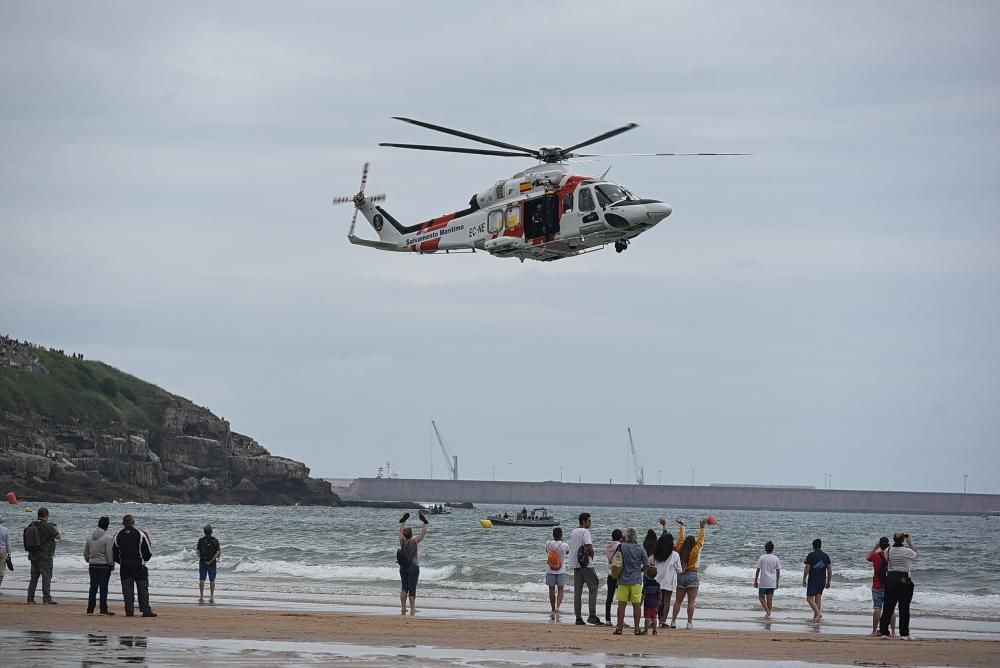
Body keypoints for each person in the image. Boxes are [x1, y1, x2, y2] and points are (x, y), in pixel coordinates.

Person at [113, 514, 156, 617]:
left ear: (123, 524)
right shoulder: (141, 534)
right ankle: (145, 610)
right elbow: (148, 552)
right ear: (133, 522)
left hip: (125, 566)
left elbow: (114, 553)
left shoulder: (117, 535)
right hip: (138, 565)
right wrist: (143, 561)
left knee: (127, 590)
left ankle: (129, 610)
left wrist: (121, 561)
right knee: (142, 588)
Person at [879, 532, 918, 639]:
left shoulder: (888, 550)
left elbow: (886, 558)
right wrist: (910, 542)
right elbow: (916, 554)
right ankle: (904, 633)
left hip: (891, 578)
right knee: (904, 607)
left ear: (893, 539)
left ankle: (884, 632)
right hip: (903, 578)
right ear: (902, 540)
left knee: (888, 607)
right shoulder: (907, 551)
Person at [671, 518, 708, 629]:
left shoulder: (679, 549)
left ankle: (673, 622)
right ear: (693, 543)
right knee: (691, 601)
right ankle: (689, 623)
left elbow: (681, 539)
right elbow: (701, 540)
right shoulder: (696, 549)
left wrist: (682, 527)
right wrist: (702, 528)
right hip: (692, 575)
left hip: (681, 575)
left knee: (678, 601)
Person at [568, 512, 604, 626]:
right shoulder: (585, 532)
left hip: (575, 564)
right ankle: (592, 615)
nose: (590, 523)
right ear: (583, 521)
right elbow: (589, 547)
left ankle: (578, 617)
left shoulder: (573, 532)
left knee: (577, 592)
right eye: (589, 521)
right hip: (585, 564)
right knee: (594, 586)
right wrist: (592, 555)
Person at [612, 528, 649, 635]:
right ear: (636, 537)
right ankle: (637, 628)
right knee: (637, 605)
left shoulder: (621, 547)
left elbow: (615, 560)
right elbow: (646, 565)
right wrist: (639, 570)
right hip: (636, 579)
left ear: (626, 537)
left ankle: (619, 628)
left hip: (623, 580)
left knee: (621, 605)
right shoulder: (641, 548)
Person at [26, 507, 61, 604]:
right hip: (45, 556)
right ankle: (46, 598)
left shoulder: (32, 524)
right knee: (46, 577)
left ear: (38, 515)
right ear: (47, 515)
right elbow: (58, 537)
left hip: (33, 555)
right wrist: (55, 528)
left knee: (34, 578)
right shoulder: (48, 526)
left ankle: (30, 598)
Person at [83, 516, 115, 615]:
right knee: (103, 587)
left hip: (92, 565)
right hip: (103, 566)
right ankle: (103, 609)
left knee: (93, 587)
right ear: (107, 526)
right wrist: (111, 563)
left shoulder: (89, 538)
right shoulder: (108, 538)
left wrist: (89, 560)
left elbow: (85, 553)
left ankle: (90, 609)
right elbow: (109, 553)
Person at [398, 511, 428, 615]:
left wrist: (404, 520)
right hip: (413, 567)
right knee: (412, 588)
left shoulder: (402, 541)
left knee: (404, 587)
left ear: (405, 535)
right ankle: (412, 609)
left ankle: (403, 608)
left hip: (402, 567)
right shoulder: (414, 542)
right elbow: (423, 533)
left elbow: (401, 531)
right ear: (411, 535)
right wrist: (425, 522)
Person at [653, 523, 682, 627]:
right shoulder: (675, 555)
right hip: (669, 581)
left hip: (657, 580)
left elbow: (651, 563)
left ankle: (654, 619)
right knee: (667, 602)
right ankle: (663, 621)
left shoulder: (656, 553)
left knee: (657, 601)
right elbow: (679, 570)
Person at [867, 537, 896, 636]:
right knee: (891, 609)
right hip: (890, 585)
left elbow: (867, 558)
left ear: (880, 544)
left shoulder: (875, 555)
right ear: (888, 545)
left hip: (877, 585)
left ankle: (874, 631)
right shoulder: (892, 555)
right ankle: (893, 632)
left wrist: (875, 547)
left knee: (877, 608)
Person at [802, 538, 832, 621]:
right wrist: (829, 581)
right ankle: (816, 617)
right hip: (822, 579)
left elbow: (807, 569)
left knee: (809, 598)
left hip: (813, 579)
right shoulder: (826, 556)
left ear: (813, 546)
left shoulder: (811, 555)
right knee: (818, 597)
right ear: (820, 546)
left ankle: (818, 613)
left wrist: (804, 579)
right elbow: (829, 569)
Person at [544, 527, 570, 617]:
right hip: (561, 570)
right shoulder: (565, 544)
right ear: (561, 535)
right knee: (560, 589)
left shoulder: (548, 543)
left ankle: (552, 608)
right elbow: (567, 553)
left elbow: (546, 551)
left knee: (551, 589)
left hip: (550, 569)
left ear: (553, 534)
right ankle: (558, 607)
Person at [753, 541, 781, 617]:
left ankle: (768, 612)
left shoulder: (762, 557)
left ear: (765, 549)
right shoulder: (775, 558)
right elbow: (778, 571)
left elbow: (758, 570)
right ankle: (768, 613)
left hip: (763, 581)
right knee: (769, 598)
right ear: (773, 549)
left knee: (761, 597)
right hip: (772, 581)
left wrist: (755, 580)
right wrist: (777, 582)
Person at [197, 524, 221, 603]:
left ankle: (201, 595)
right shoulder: (215, 540)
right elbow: (218, 552)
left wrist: (202, 559)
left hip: (203, 562)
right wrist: (211, 561)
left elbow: (197, 551)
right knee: (212, 579)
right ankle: (211, 595)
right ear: (211, 531)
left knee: (202, 579)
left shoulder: (200, 540)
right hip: (212, 562)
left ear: (204, 532)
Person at [641, 534, 660, 634]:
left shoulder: (646, 585)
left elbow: (643, 594)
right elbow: (659, 594)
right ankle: (655, 630)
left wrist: (640, 602)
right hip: (655, 603)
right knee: (654, 617)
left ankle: (645, 630)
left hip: (647, 603)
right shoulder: (657, 584)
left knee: (647, 617)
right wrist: (659, 602)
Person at [604, 529, 623, 625]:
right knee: (622, 598)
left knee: (609, 597)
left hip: (610, 573)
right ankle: (621, 621)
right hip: (618, 574)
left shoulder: (608, 546)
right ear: (620, 537)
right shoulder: (620, 546)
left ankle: (607, 619)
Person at [0, 515, 10, 593]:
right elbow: (8, 543)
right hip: (2, 550)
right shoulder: (5, 529)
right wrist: (9, 553)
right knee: (1, 570)